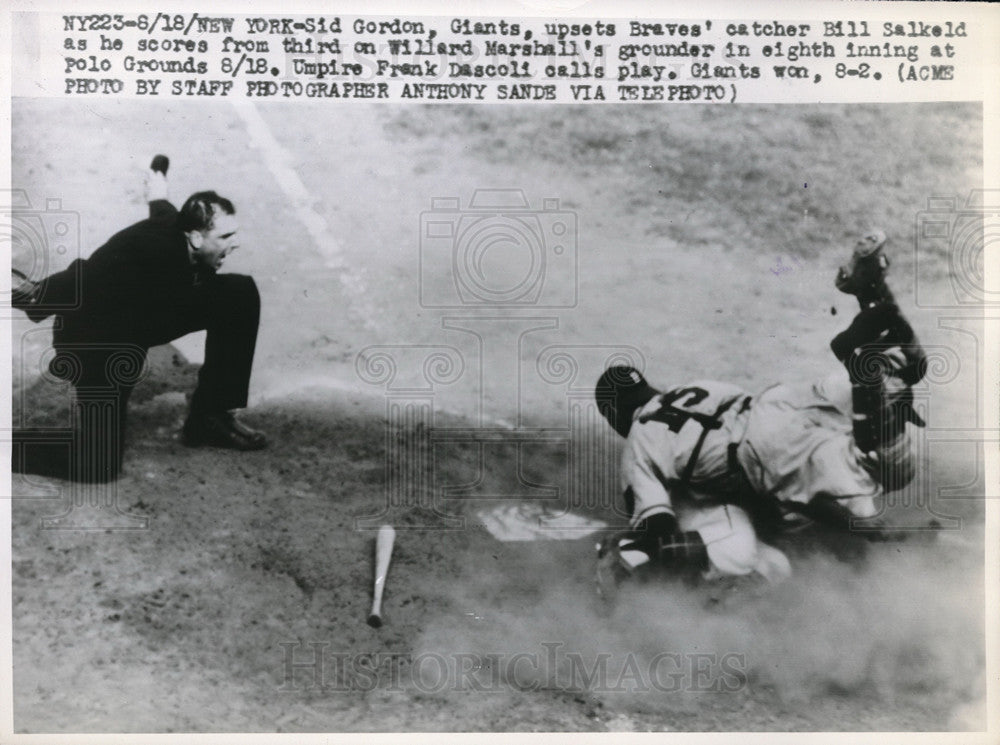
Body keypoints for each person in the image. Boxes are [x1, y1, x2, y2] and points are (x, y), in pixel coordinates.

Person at [594, 231, 928, 600]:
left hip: (762, 452)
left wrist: (870, 530)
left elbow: (657, 522)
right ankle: (870, 294)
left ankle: (863, 366)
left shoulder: (640, 441)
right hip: (780, 404)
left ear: (616, 418)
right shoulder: (696, 387)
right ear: (649, 389)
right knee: (900, 380)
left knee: (876, 474)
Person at [11, 159, 267, 483]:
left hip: (142, 319)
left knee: (238, 294)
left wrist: (157, 184)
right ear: (198, 239)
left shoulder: (180, 226)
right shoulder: (150, 250)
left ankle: (210, 418)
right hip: (96, 342)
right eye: (226, 235)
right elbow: (82, 281)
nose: (235, 243)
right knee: (98, 464)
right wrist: (35, 295)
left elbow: (161, 208)